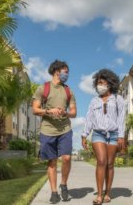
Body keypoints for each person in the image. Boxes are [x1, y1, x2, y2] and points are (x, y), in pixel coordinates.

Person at [32, 60, 77, 204]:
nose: (67, 74)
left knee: (66, 158)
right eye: (66, 71)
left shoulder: (68, 90)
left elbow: (74, 112)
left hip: (65, 129)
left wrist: (66, 113)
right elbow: (35, 109)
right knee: (52, 162)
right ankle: (54, 192)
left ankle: (63, 184)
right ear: (57, 71)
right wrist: (49, 111)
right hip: (47, 130)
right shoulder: (43, 88)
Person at [81, 69, 125, 205]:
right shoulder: (94, 101)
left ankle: (108, 193)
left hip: (113, 135)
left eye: (102, 82)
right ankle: (99, 195)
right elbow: (89, 118)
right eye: (98, 83)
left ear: (109, 83)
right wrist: (84, 134)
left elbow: (121, 118)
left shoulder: (118, 99)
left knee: (110, 164)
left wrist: (121, 136)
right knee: (101, 162)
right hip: (98, 134)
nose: (99, 85)